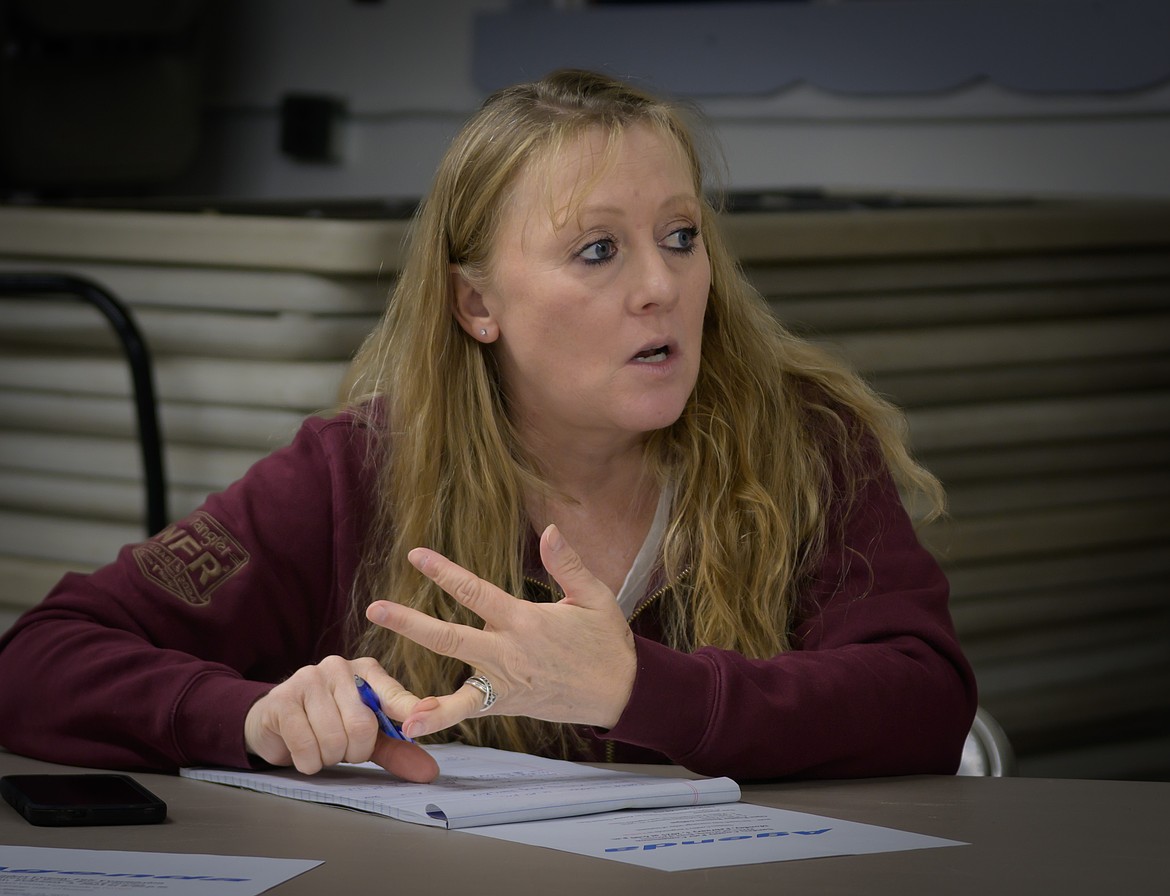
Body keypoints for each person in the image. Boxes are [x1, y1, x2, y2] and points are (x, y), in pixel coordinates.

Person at [0, 70, 976, 783]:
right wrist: (253, 711)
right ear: (476, 304)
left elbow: (927, 699)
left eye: (682, 237)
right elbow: (43, 658)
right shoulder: (354, 469)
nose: (661, 286)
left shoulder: (802, 443)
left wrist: (641, 687)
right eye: (599, 249)